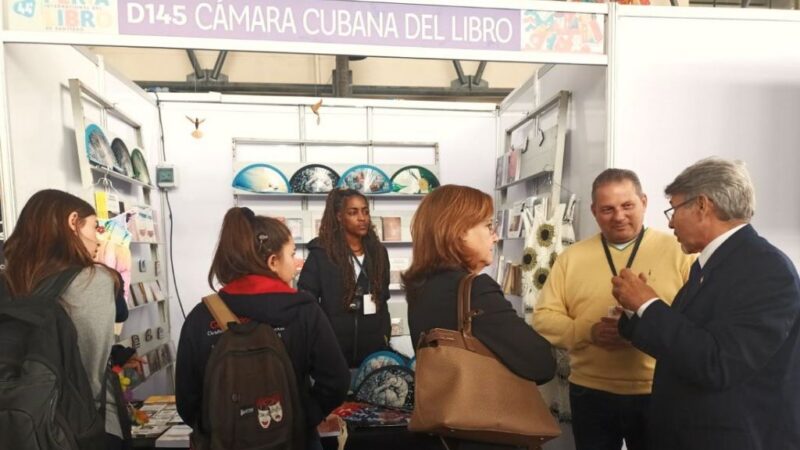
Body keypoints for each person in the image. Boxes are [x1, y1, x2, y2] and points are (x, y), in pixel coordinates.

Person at [612, 157, 800, 450]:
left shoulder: (767, 269)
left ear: (702, 205)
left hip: (732, 437)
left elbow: (718, 363)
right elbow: (686, 340)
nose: (670, 221)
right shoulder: (711, 264)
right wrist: (634, 310)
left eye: (673, 209)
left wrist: (648, 304)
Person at [532, 169, 693, 450]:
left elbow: (697, 322)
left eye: (627, 206)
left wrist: (644, 330)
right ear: (594, 211)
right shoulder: (572, 258)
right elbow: (543, 318)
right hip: (590, 392)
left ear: (644, 202)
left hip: (659, 390)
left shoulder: (682, 252)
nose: (618, 216)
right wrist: (588, 331)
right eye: (607, 209)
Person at [176, 207, 350, 449]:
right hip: (294, 440)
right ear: (273, 262)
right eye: (291, 255)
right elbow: (336, 381)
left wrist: (221, 426)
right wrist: (300, 417)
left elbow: (187, 399)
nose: (296, 264)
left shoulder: (201, 316)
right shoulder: (304, 311)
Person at [404, 184, 555, 450]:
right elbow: (541, 363)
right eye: (487, 226)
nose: (494, 237)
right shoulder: (475, 289)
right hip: (490, 434)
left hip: (445, 434)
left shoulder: (420, 288)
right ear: (459, 231)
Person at [2, 189, 125, 449]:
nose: (98, 240)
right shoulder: (92, 281)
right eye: (94, 227)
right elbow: (92, 371)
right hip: (75, 427)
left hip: (16, 424)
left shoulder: (8, 280)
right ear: (73, 222)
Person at [298, 188, 391, 367]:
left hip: (372, 352)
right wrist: (321, 336)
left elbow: (383, 299)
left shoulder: (378, 253)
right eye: (353, 212)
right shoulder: (322, 253)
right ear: (339, 216)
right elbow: (307, 299)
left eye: (365, 211)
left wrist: (384, 335)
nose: (362, 217)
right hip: (332, 350)